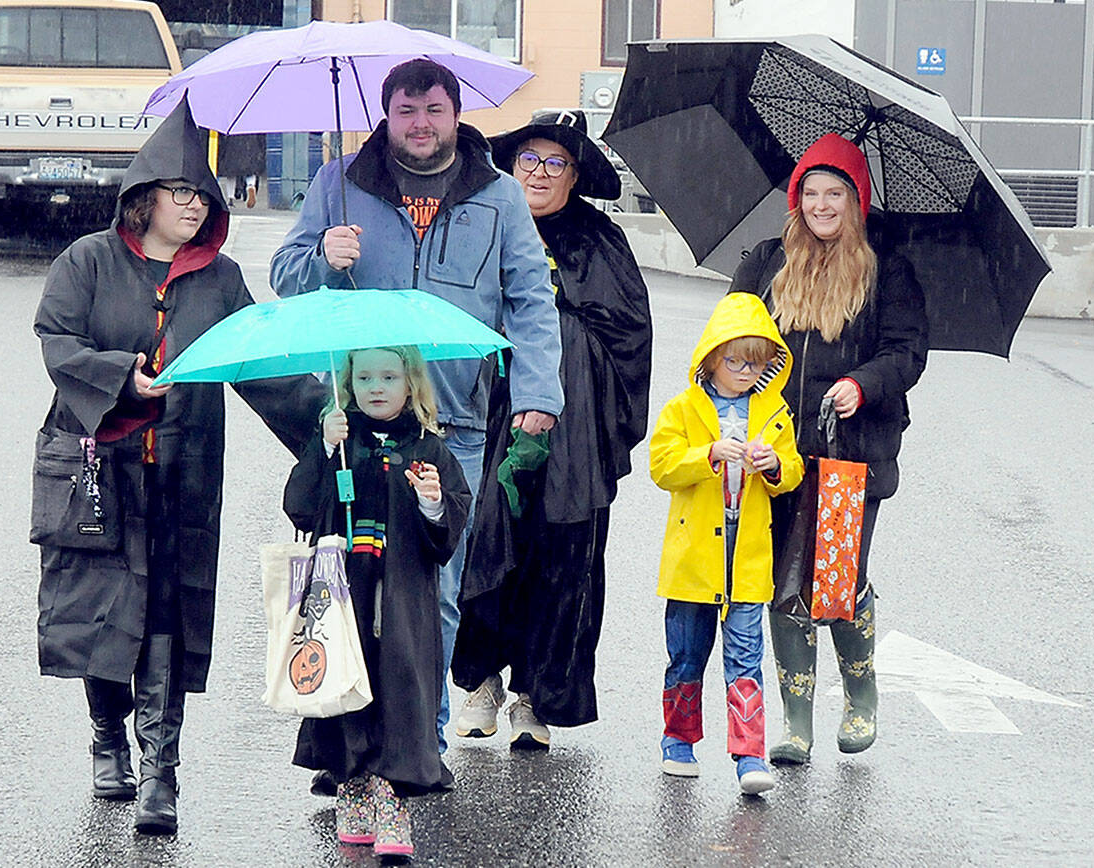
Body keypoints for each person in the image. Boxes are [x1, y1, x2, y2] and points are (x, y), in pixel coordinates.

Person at [32, 101, 323, 835]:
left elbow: (261, 365)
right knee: (105, 609)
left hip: (182, 474)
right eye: (182, 192)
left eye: (205, 195)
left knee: (168, 615)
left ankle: (161, 773)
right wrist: (119, 378)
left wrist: (327, 425)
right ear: (145, 196)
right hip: (100, 468)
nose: (195, 207)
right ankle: (107, 738)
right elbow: (56, 337)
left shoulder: (220, 280)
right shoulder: (89, 261)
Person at [269, 58, 564, 756]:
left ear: (455, 114)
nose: (421, 124)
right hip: (357, 427)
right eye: (407, 111)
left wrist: (538, 394)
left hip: (453, 425)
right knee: (353, 585)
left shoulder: (498, 195)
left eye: (433, 110)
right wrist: (323, 256)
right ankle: (351, 743)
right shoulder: (338, 184)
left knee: (435, 592)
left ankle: (418, 745)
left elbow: (528, 299)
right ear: (387, 114)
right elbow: (285, 277)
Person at [450, 110, 652, 749]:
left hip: (572, 426)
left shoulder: (600, 240)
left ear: (574, 176)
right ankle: (480, 679)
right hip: (485, 410)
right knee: (482, 539)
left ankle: (535, 695)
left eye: (555, 163)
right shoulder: (481, 223)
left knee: (558, 557)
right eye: (529, 160)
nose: (539, 173)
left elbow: (629, 335)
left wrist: (555, 332)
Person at [731, 133, 928, 763]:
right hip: (777, 454)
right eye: (810, 192)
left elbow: (906, 352)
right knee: (784, 581)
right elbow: (729, 339)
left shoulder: (886, 272)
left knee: (838, 579)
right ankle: (796, 720)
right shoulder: (765, 262)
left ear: (855, 200)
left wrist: (859, 385)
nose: (821, 204)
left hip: (853, 452)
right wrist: (744, 383)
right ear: (796, 201)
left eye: (834, 192)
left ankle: (861, 694)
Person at [283, 346, 471, 860]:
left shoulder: (430, 449)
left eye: (389, 376)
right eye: (364, 377)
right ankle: (353, 790)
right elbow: (299, 506)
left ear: (410, 383)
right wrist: (323, 451)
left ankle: (392, 800)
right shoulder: (340, 443)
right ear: (348, 385)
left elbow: (448, 530)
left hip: (404, 602)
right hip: (346, 596)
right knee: (346, 690)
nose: (376, 387)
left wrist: (432, 500)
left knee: (400, 696)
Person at [648, 292, 803, 794]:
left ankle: (748, 755)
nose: (742, 371)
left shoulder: (774, 412)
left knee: (745, 654)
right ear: (711, 357)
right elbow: (662, 466)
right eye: (733, 360)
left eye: (754, 363)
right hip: (695, 558)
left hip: (748, 556)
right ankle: (678, 741)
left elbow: (792, 470)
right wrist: (709, 453)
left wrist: (774, 466)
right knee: (687, 653)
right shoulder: (683, 409)